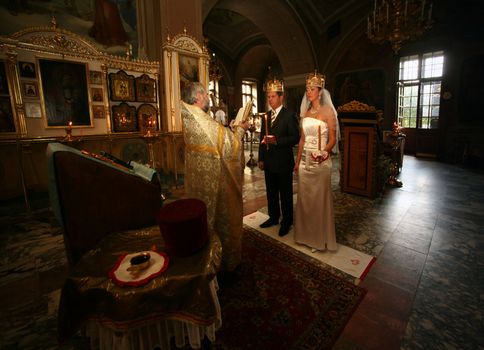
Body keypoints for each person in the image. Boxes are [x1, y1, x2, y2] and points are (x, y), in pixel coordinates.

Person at [180, 82, 249, 271]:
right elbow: (229, 147)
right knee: (219, 216)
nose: (208, 98)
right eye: (205, 95)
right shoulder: (201, 119)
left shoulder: (190, 116)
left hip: (199, 180)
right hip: (217, 180)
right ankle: (223, 260)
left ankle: (203, 256)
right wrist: (240, 129)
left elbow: (216, 134)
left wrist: (230, 128)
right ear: (197, 97)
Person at [294, 71, 339, 252]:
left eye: (311, 89)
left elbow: (333, 139)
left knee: (318, 201)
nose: (308, 92)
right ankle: (306, 236)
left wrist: (323, 152)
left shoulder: (328, 112)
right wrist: (297, 162)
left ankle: (319, 239)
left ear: (320, 92)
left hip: (321, 162)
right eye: (307, 89)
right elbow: (302, 140)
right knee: (305, 201)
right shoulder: (305, 112)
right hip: (305, 162)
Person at [258, 77, 300, 237]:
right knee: (271, 192)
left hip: (283, 161)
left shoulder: (289, 115)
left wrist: (277, 141)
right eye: (268, 96)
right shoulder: (266, 116)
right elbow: (262, 137)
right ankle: (273, 217)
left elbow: (295, 137)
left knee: (285, 193)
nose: (270, 99)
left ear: (281, 97)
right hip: (268, 161)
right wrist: (261, 158)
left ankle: (287, 221)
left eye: (273, 96)